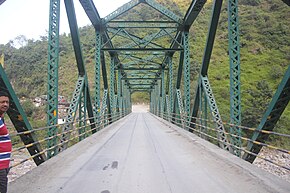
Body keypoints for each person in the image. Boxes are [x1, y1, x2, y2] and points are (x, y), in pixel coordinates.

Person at [0, 91, 12, 193]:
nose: (5, 104)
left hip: (4, 162)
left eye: (7, 102)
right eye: (2, 102)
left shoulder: (1, 118)